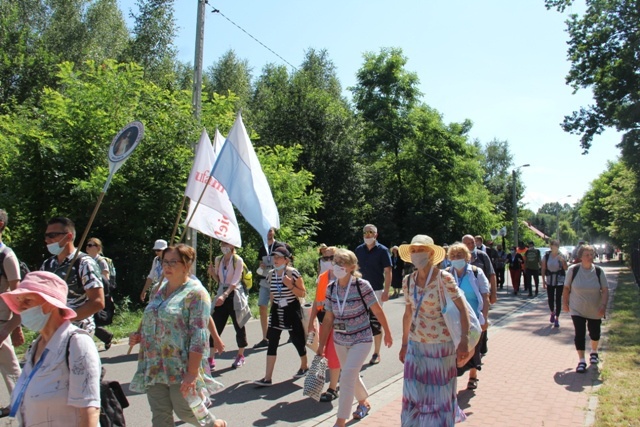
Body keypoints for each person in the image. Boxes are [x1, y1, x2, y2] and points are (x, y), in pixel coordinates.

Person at [129, 244, 227, 427]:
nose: (167, 266)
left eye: (173, 262)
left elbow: (199, 335)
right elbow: (153, 318)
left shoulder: (196, 293)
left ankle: (214, 425)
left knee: (186, 410)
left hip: (180, 365)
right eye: (164, 262)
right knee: (160, 414)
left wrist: (191, 373)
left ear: (187, 264)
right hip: (154, 364)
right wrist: (140, 335)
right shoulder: (159, 289)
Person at [0, 271, 101, 425]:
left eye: (27, 301)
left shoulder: (77, 344)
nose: (20, 308)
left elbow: (89, 413)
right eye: (18, 301)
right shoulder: (35, 347)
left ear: (49, 304)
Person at [316, 248, 393, 427]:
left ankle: (340, 420)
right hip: (340, 340)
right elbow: (328, 318)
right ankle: (363, 402)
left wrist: (387, 332)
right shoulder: (331, 288)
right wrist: (321, 346)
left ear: (352, 267)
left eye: (341, 263)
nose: (337, 266)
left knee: (347, 375)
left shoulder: (362, 285)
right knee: (351, 374)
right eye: (335, 263)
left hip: (361, 338)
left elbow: (377, 311)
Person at [398, 235, 469, 426]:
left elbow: (462, 309)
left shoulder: (443, 278)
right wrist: (404, 343)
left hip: (440, 347)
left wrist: (464, 341)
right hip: (415, 345)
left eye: (419, 250)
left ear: (430, 254)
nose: (415, 254)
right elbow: (407, 313)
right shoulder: (408, 281)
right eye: (413, 250)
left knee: (439, 395)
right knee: (413, 392)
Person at [254, 246, 308, 386]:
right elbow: (272, 292)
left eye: (278, 257)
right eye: (274, 257)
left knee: (297, 339)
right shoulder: (271, 274)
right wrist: (274, 305)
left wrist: (290, 285)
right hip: (277, 309)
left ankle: (304, 366)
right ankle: (267, 377)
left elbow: (302, 293)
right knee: (272, 341)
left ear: (286, 259)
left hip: (291, 309)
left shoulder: (293, 273)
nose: (275, 260)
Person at [41, 217, 105, 335]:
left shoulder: (84, 263)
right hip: (51, 331)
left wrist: (65, 319)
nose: (47, 240)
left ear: (69, 237)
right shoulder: (47, 265)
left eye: (52, 235)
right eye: (46, 236)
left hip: (78, 332)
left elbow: (98, 302)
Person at [447, 242, 490, 391]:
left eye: (459, 255)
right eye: (453, 255)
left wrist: (484, 317)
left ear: (467, 257)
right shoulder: (446, 274)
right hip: (453, 320)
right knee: (454, 349)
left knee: (474, 347)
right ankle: (453, 379)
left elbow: (485, 296)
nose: (456, 258)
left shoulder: (476, 272)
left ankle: (473, 376)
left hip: (474, 319)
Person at [562, 245, 608, 374]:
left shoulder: (599, 271)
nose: (589, 257)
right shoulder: (573, 270)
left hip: (595, 308)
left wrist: (603, 305)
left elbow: (604, 290)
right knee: (579, 334)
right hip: (577, 309)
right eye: (586, 255)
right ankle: (581, 360)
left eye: (591, 255)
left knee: (594, 333)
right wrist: (565, 303)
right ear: (580, 257)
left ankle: (594, 351)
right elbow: (566, 288)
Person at [208, 241, 250, 370]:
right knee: (216, 324)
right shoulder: (218, 259)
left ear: (232, 246)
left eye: (226, 244)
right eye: (221, 244)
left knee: (239, 324)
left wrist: (225, 295)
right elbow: (220, 280)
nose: (223, 246)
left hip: (234, 294)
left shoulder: (237, 260)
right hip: (222, 293)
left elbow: (235, 281)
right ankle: (210, 357)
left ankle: (240, 355)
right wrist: (212, 273)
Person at [354, 224, 392, 365]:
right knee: (360, 322)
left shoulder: (382, 250)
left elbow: (388, 271)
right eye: (365, 232)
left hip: (376, 289)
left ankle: (376, 352)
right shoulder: (359, 250)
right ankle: (359, 352)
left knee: (376, 321)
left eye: (370, 232)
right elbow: (354, 269)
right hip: (359, 290)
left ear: (376, 234)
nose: (367, 235)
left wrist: (386, 291)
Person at [307, 245, 341, 402]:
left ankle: (333, 388)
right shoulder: (322, 277)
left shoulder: (344, 276)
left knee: (332, 354)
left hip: (339, 322)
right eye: (325, 258)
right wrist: (311, 321)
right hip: (323, 320)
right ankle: (338, 382)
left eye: (331, 258)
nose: (328, 261)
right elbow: (316, 300)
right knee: (326, 353)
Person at [0, 209, 22, 417]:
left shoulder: (7, 256)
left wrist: (14, 326)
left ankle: (22, 403)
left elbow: (18, 294)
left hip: (1, 320)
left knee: (10, 366)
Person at [253, 227, 285, 348]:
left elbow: (287, 262)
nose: (268, 233)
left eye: (270, 231)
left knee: (277, 308)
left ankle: (287, 331)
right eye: (266, 231)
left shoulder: (279, 246)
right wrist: (261, 266)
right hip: (264, 281)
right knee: (262, 306)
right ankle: (265, 337)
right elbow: (260, 266)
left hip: (277, 280)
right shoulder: (262, 248)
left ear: (274, 232)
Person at [85, 237, 114, 349]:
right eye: (87, 245)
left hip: (98, 294)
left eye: (91, 245)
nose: (88, 247)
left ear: (98, 248)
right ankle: (106, 337)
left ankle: (102, 338)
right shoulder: (85, 260)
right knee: (87, 319)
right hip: (86, 294)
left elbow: (105, 280)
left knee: (88, 319)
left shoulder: (101, 261)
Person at [462, 234, 497, 303]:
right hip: (465, 295)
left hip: (482, 293)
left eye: (472, 242)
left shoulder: (482, 255)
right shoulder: (459, 257)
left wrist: (493, 294)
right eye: (468, 243)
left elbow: (492, 274)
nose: (471, 245)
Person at [541, 240, 568, 328]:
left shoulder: (561, 255)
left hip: (559, 279)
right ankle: (552, 312)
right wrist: (543, 280)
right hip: (550, 279)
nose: (555, 247)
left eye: (557, 245)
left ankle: (557, 318)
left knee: (558, 299)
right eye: (554, 245)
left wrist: (563, 261)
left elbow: (566, 268)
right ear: (551, 246)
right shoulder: (547, 256)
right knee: (550, 298)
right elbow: (543, 268)